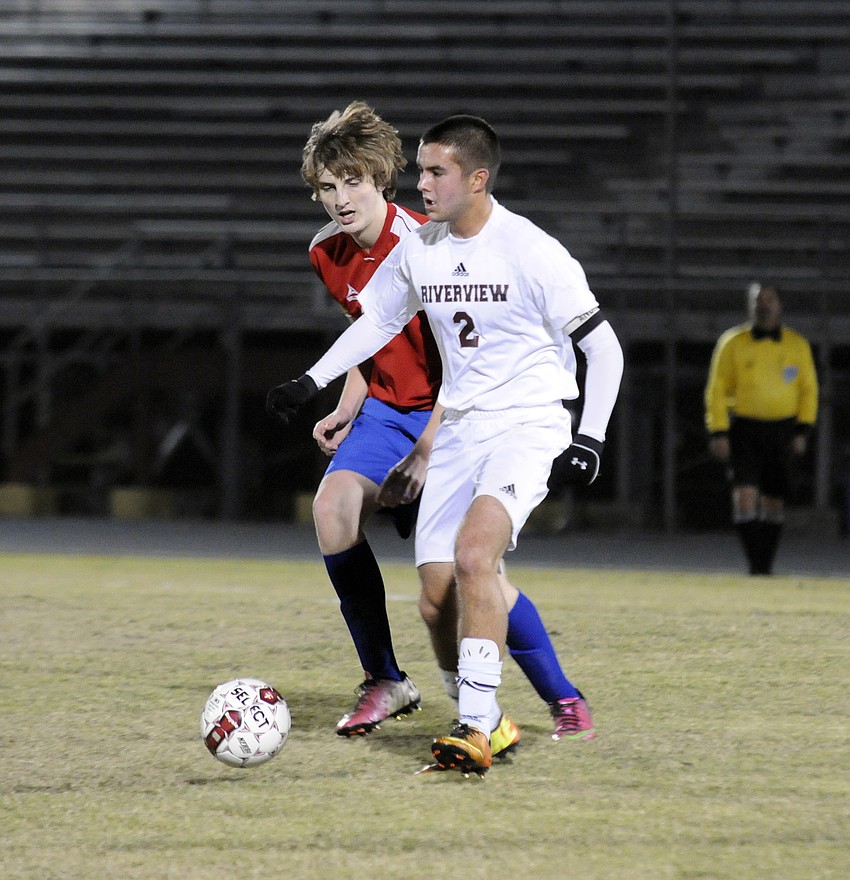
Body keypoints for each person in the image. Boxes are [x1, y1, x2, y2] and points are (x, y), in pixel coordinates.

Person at [270, 113, 623, 775]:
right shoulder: (421, 250)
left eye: (436, 171)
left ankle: (480, 725)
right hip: (460, 424)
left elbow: (603, 348)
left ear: (478, 178)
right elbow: (376, 322)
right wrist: (310, 381)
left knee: (473, 555)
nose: (421, 182)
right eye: (423, 169)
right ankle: (482, 712)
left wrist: (590, 438)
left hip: (525, 422)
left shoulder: (531, 251)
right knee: (436, 597)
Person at [704, 282, 818, 576]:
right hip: (745, 428)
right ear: (749, 305)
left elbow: (808, 390)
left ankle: (764, 566)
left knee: (774, 501)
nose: (763, 305)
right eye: (757, 299)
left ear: (779, 305)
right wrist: (718, 431)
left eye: (769, 299)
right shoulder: (732, 342)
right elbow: (717, 389)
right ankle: (755, 565)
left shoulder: (796, 345)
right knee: (744, 497)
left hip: (782, 430)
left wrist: (803, 430)